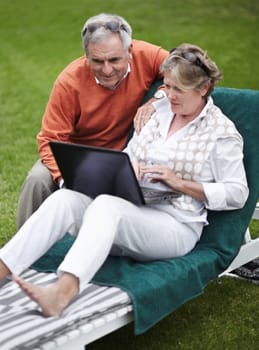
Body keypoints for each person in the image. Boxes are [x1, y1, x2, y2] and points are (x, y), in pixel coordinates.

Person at [0, 43, 249, 317]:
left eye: (178, 89)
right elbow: (130, 153)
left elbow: (237, 193)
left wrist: (180, 184)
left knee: (107, 206)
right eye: (166, 86)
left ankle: (61, 293)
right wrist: (131, 166)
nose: (169, 95)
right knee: (65, 199)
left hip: (174, 225)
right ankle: (3, 268)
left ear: (203, 88)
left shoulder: (221, 133)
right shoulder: (160, 111)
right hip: (130, 210)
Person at [16, 12, 169, 229]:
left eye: (114, 60)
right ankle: (21, 253)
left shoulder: (148, 55)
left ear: (130, 51)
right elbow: (50, 139)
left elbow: (189, 71)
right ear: (86, 56)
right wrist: (66, 180)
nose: (107, 70)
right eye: (97, 61)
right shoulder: (69, 82)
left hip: (126, 155)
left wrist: (157, 98)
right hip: (77, 157)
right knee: (37, 179)